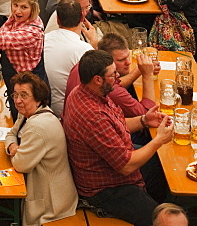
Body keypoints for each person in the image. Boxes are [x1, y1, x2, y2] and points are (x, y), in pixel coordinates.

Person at [62, 50, 173, 226]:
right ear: (97, 79)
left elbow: (116, 124)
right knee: (162, 221)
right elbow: (126, 166)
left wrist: (144, 120)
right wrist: (159, 140)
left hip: (114, 165)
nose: (118, 76)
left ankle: (154, 201)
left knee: (162, 168)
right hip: (106, 189)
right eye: (113, 74)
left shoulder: (85, 92)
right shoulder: (92, 115)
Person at [4, 71, 78, 226]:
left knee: (1, 204)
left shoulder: (38, 127)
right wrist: (13, 146)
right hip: (43, 189)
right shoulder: (27, 114)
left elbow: (20, 164)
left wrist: (17, 151)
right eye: (15, 95)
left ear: (38, 99)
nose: (18, 101)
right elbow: (11, 133)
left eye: (24, 95)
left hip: (52, 204)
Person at [43, 0, 93, 116]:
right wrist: (94, 44)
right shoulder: (85, 50)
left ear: (57, 19)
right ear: (82, 18)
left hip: (43, 108)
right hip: (70, 114)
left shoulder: (43, 39)